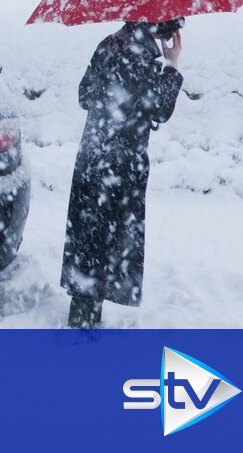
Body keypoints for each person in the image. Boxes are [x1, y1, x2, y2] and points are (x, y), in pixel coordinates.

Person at [61, 18, 184, 329]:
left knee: (90, 238)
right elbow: (159, 109)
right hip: (121, 163)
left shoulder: (110, 43)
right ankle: (85, 330)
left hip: (93, 157)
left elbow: (84, 95)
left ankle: (83, 317)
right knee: (111, 240)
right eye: (171, 25)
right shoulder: (141, 56)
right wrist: (171, 65)